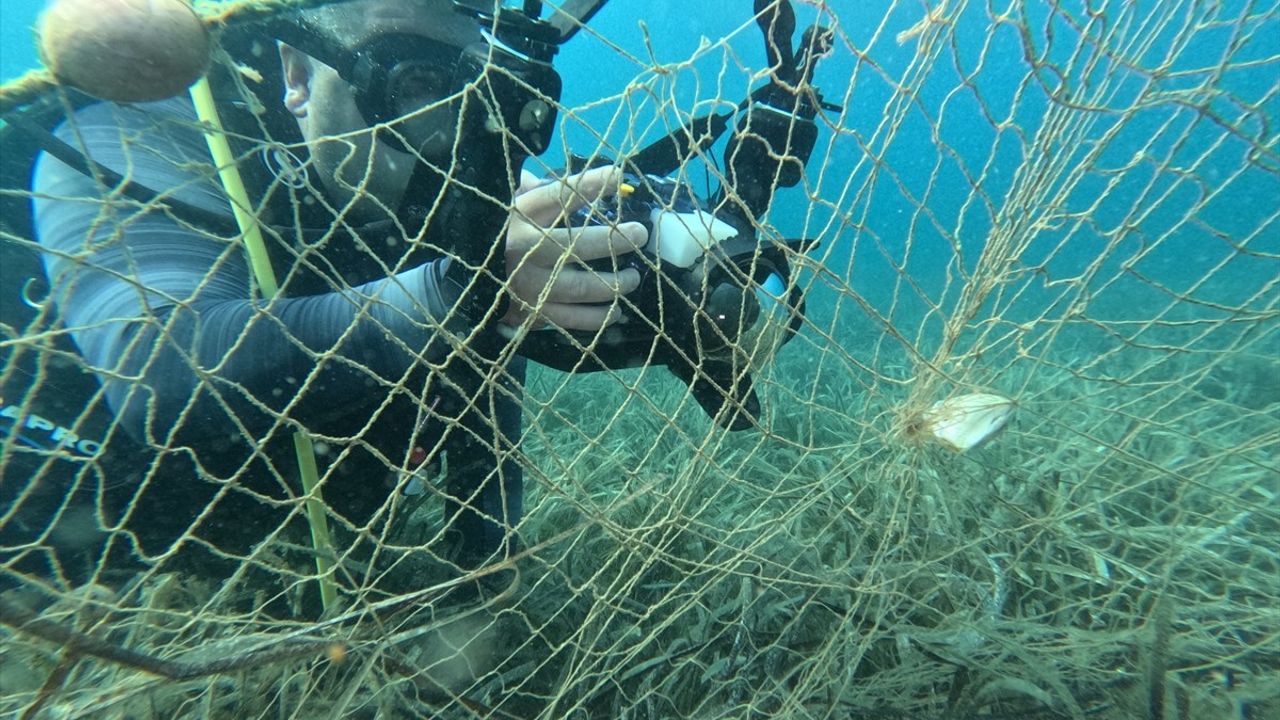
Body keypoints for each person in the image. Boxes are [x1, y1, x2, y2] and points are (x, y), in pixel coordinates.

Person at [1, 0, 646, 603]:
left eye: (478, 88)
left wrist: (484, 577)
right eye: (417, 82)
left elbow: (482, 386)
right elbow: (157, 371)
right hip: (65, 556)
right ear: (297, 73)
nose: (454, 131)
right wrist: (454, 292)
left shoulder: (455, 165)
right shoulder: (145, 129)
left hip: (300, 538)